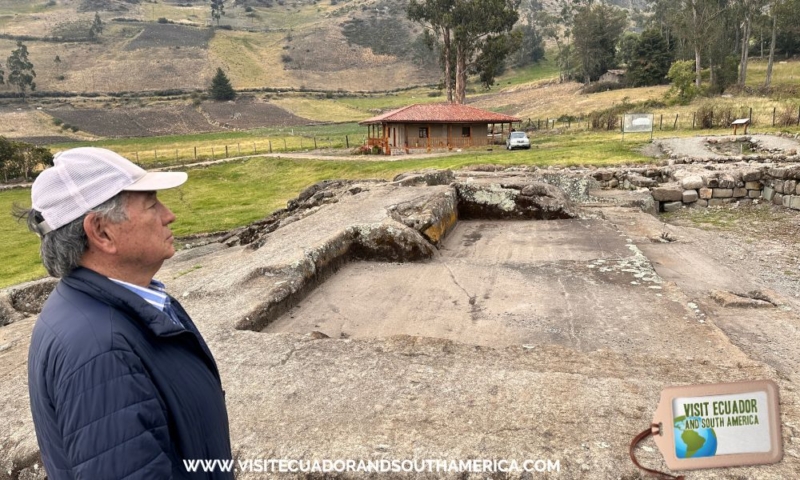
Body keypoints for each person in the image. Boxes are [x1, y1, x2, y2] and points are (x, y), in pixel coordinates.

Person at [23, 147, 233, 479]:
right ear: (102, 232)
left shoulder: (121, 302)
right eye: (152, 204)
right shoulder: (99, 350)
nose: (169, 215)